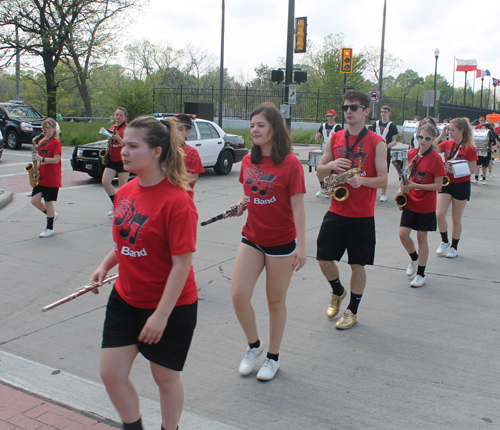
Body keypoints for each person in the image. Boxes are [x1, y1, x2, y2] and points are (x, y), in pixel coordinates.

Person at [90, 116, 198, 430]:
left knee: (165, 379)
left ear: (156, 152)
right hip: (126, 298)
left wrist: (161, 316)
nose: (123, 151)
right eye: (124, 144)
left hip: (170, 306)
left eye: (133, 146)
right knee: (111, 374)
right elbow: (125, 240)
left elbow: (182, 264)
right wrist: (104, 266)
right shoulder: (125, 192)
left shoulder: (178, 202)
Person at [231, 102, 306, 381]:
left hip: (281, 243)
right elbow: (246, 193)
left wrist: (302, 246)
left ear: (274, 128)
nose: (254, 130)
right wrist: (240, 205)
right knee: (239, 295)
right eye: (252, 125)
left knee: (275, 301)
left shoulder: (290, 164)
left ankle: (273, 357)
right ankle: (254, 345)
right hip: (252, 237)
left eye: (260, 125)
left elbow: (298, 206)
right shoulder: (249, 161)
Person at [316, 90, 387, 329]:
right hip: (337, 209)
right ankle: (338, 291)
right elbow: (319, 171)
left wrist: (363, 181)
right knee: (324, 260)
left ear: (366, 111)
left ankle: (352, 310)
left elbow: (384, 180)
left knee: (357, 265)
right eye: (346, 107)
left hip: (362, 215)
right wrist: (331, 165)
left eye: (354, 107)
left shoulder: (377, 142)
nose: (348, 111)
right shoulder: (335, 138)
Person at [398, 123, 446, 288]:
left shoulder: (436, 159)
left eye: (427, 138)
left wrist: (415, 186)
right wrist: (402, 188)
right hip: (410, 200)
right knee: (403, 235)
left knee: (421, 238)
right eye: (420, 137)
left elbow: (439, 186)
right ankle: (414, 258)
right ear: (416, 137)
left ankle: (421, 274)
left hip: (426, 204)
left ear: (432, 139)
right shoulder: (412, 153)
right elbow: (408, 176)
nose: (423, 141)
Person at [435, 118, 478, 258]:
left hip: (461, 184)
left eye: (453, 130)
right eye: (449, 130)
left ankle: (454, 246)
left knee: (456, 219)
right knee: (439, 214)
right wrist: (441, 135)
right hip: (447, 183)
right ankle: (444, 241)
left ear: (461, 130)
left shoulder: (470, 148)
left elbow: (472, 169)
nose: (450, 132)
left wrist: (455, 168)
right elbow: (431, 147)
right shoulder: (447, 143)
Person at [31, 118, 62, 238]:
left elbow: (56, 160)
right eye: (44, 127)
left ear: (54, 128)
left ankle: (50, 228)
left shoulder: (56, 142)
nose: (45, 130)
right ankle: (52, 215)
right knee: (34, 200)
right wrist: (36, 169)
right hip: (42, 177)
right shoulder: (41, 142)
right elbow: (39, 159)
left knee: (48, 202)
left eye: (48, 127)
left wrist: (41, 159)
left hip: (52, 177)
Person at [102, 107, 129, 216]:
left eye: (120, 115)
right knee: (105, 181)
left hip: (122, 160)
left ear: (124, 117)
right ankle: (115, 203)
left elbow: (126, 145)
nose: (118, 117)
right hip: (112, 158)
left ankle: (123, 207)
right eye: (116, 114)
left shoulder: (126, 129)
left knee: (122, 187)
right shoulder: (113, 127)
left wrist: (118, 138)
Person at [370, 105, 398, 202]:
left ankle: (383, 193)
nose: (384, 113)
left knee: (384, 173)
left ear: (389, 113)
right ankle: (371, 193)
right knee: (371, 172)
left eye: (385, 112)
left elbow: (394, 140)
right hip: (374, 151)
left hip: (385, 151)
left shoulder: (392, 126)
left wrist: (391, 144)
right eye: (382, 111)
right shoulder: (376, 124)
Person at [174, 114, 204, 197]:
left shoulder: (192, 152)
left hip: (184, 198)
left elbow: (194, 178)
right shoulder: (162, 150)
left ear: (187, 131)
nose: (176, 132)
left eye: (180, 129)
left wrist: (171, 176)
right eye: (173, 128)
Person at [315, 109, 342, 197]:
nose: (329, 118)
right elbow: (319, 136)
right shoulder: (323, 126)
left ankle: (328, 188)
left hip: (332, 150)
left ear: (335, 116)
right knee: (319, 172)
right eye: (328, 116)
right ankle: (323, 188)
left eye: (331, 116)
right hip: (323, 149)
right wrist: (318, 138)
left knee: (330, 172)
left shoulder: (338, 127)